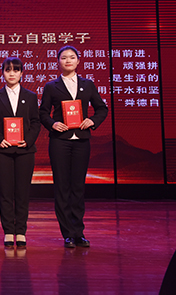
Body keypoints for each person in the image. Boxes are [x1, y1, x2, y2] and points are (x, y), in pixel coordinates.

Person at [39, 45, 108, 248]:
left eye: (71, 57)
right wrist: (52, 124)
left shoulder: (88, 84)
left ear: (78, 61)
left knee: (78, 187)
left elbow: (102, 108)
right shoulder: (51, 86)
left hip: (82, 141)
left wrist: (92, 121)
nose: (68, 60)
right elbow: (42, 112)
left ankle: (79, 232)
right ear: (58, 62)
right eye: (63, 58)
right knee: (62, 187)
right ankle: (67, 233)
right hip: (60, 141)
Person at [0, 57, 41, 248]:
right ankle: (9, 231)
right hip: (2, 150)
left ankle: (21, 231)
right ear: (2, 73)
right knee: (5, 192)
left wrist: (29, 140)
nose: (12, 73)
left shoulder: (31, 96)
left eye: (16, 70)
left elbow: (36, 122)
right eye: (8, 70)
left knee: (22, 192)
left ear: (21, 73)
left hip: (25, 150)